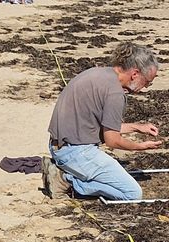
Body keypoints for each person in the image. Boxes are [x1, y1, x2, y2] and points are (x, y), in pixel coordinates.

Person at [44, 42, 162, 201]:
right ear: (135, 74)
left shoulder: (98, 73)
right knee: (132, 194)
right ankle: (66, 180)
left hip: (58, 146)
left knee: (116, 179)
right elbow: (112, 140)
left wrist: (137, 127)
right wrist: (139, 147)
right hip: (75, 153)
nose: (146, 87)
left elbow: (104, 127)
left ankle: (68, 174)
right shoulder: (115, 93)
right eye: (147, 81)